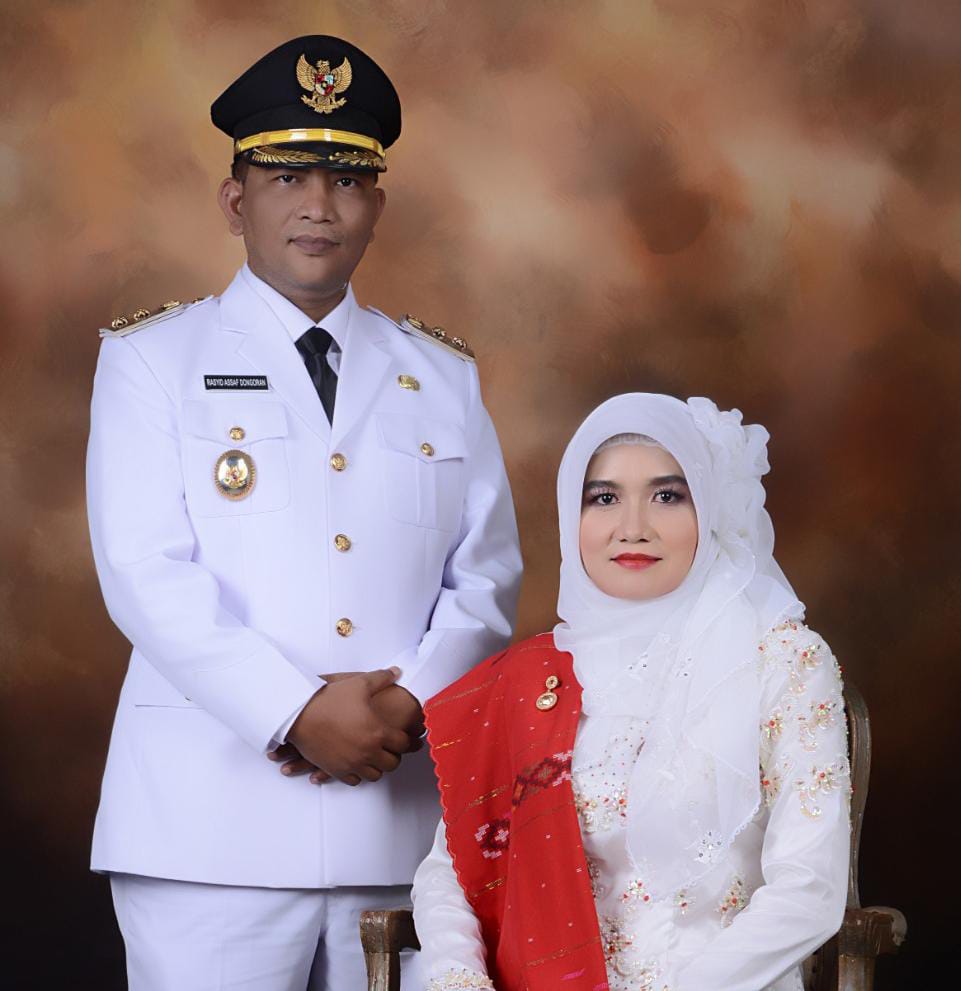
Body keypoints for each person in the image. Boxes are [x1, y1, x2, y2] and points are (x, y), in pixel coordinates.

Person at [85, 34, 522, 991]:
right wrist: (294, 711)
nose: (318, 205)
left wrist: (407, 704)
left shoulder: (440, 375)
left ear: (377, 208)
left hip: (402, 824)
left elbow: (486, 576)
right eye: (286, 176)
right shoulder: (153, 360)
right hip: (206, 831)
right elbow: (143, 571)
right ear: (234, 201)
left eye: (347, 180)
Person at [412, 393, 850, 991]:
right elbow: (451, 873)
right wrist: (458, 978)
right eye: (604, 498)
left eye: (668, 496)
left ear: (710, 508)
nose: (634, 528)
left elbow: (810, 890)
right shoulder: (528, 681)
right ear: (571, 518)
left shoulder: (782, 662)